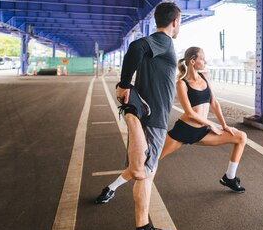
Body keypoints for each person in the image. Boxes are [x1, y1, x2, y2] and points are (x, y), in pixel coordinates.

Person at [96, 47, 248, 200]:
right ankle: (111, 188)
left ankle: (229, 177)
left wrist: (224, 125)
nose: (206, 61)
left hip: (203, 131)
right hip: (183, 131)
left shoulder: (206, 76)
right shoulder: (181, 84)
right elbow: (189, 113)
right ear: (193, 61)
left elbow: (214, 103)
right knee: (147, 163)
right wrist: (211, 124)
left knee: (241, 137)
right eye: (203, 58)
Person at [98, 1, 181, 230]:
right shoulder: (164, 41)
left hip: (147, 115)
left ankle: (141, 225)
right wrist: (124, 83)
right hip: (154, 119)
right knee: (145, 174)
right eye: (179, 22)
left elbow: (138, 50)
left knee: (141, 172)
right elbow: (135, 46)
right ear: (175, 22)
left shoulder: (156, 45)